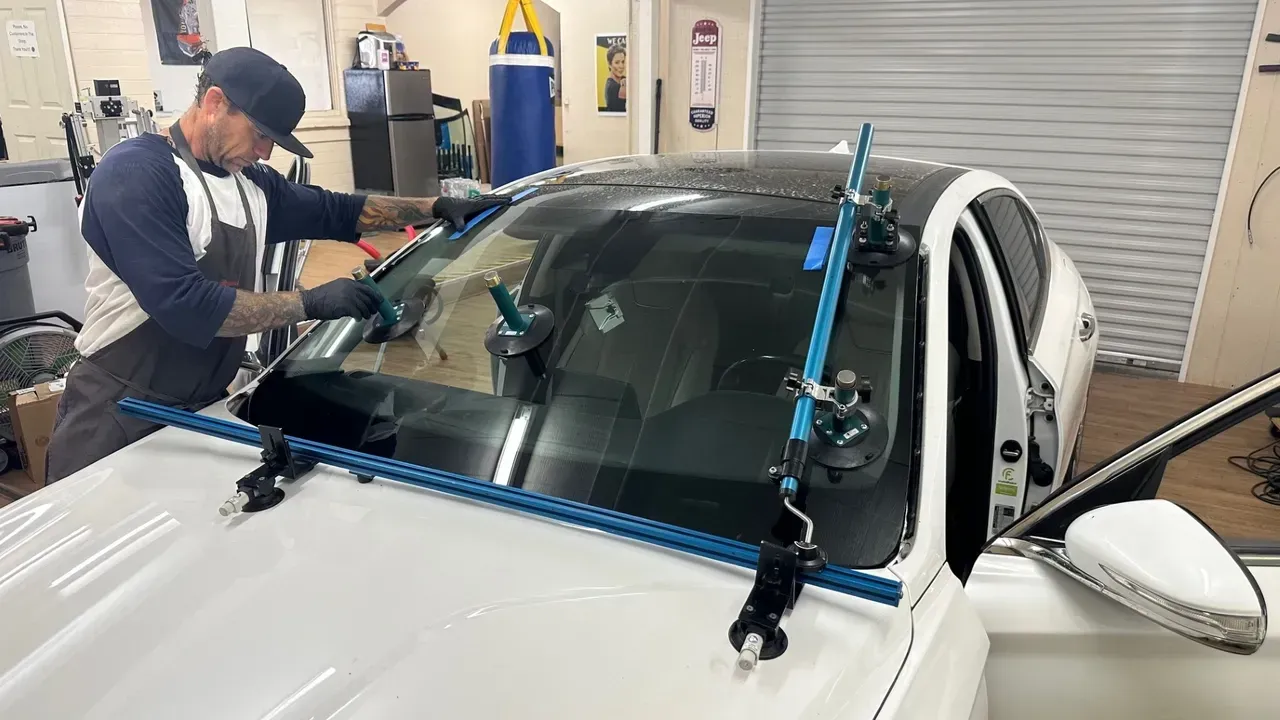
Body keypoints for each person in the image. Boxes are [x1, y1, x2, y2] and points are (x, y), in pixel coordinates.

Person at [44, 47, 506, 484]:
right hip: (119, 412)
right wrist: (309, 303)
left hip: (201, 409)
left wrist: (434, 207)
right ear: (215, 103)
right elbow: (186, 306)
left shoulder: (251, 184)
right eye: (261, 134)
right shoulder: (138, 175)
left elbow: (336, 210)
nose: (265, 153)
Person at [604, 45, 627, 113]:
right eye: (617, 62)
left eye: (623, 62)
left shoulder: (623, 79)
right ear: (609, 64)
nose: (621, 66)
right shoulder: (612, 87)